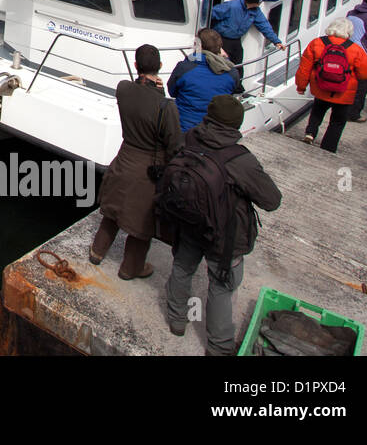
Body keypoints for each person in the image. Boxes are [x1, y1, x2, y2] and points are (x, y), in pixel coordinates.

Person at [164, 95, 282, 355]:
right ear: (235, 125)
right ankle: (219, 347)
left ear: (209, 116)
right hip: (224, 235)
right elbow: (272, 200)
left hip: (190, 223)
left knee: (182, 268)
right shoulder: (240, 159)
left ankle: (176, 320)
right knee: (222, 287)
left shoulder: (189, 138)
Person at [90, 44, 182, 280]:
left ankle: (97, 251)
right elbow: (173, 144)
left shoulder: (123, 89)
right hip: (149, 168)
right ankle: (130, 268)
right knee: (141, 225)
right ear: (160, 67)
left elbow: (136, 92)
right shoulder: (166, 106)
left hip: (125, 157)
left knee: (112, 212)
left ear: (135, 66)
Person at [294, 19, 367, 152]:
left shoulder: (317, 43)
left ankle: (310, 133)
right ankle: (328, 147)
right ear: (348, 32)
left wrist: (301, 87)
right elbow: (366, 73)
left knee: (317, 111)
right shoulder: (355, 49)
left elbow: (304, 69)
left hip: (321, 87)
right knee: (337, 121)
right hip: (344, 93)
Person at [168, 27, 243, 132]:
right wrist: (225, 58)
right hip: (213, 132)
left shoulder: (185, 68)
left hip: (184, 127)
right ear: (220, 47)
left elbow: (172, 91)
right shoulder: (231, 72)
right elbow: (232, 91)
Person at [210, 0, 284, 66]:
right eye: (259, 2)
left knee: (238, 65)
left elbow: (264, 25)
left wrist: (276, 41)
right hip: (222, 39)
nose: (260, 4)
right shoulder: (231, 6)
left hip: (236, 40)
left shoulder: (255, 11)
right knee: (221, 64)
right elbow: (212, 13)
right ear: (254, 2)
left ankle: (238, 77)